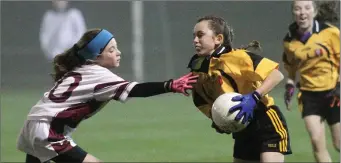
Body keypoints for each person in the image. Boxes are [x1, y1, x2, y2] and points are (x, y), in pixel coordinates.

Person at [17, 28, 198, 163]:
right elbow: (135, 90)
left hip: (34, 124)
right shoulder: (98, 74)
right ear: (96, 56)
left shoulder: (80, 69)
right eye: (111, 50)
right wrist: (170, 85)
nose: (118, 53)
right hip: (48, 130)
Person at [187, 15, 292, 162]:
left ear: (218, 39)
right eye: (194, 36)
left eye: (200, 35)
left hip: (266, 121)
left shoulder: (237, 58)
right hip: (241, 128)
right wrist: (215, 117)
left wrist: (254, 97)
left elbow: (276, 75)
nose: (195, 40)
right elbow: (200, 100)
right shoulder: (199, 70)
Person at [282, 1, 340, 162]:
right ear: (293, 13)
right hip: (309, 96)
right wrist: (289, 87)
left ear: (314, 12)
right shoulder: (289, 41)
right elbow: (291, 69)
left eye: (307, 8)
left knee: (339, 143)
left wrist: (340, 85)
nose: (302, 12)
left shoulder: (330, 33)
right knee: (316, 142)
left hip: (334, 93)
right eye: (298, 9)